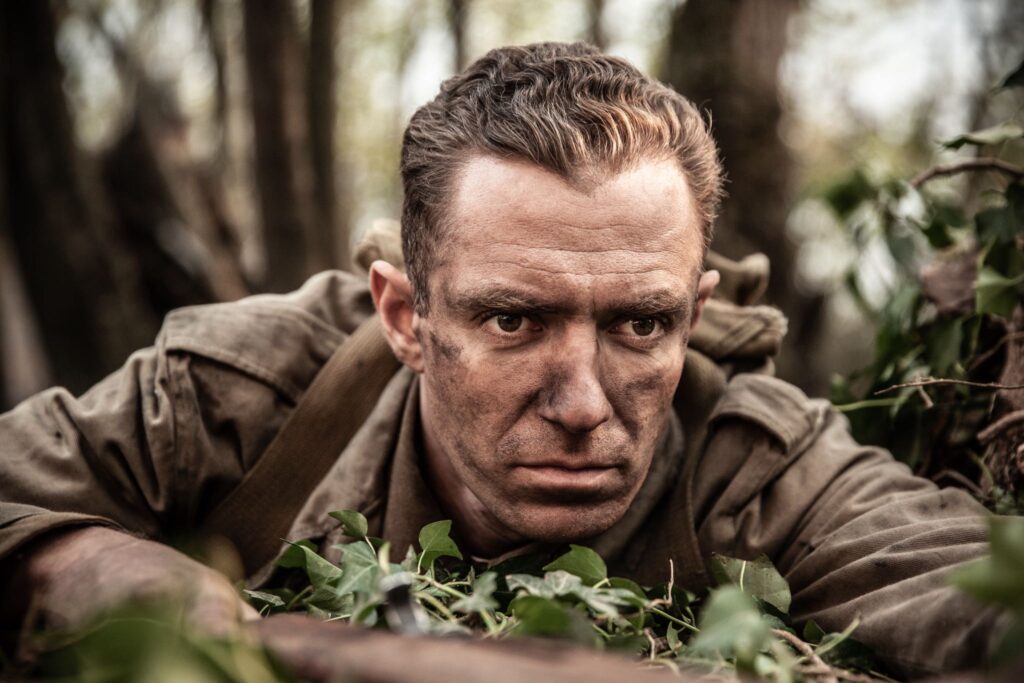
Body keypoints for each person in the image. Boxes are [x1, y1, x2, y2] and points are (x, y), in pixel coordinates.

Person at [0, 42, 1006, 675]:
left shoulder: (765, 467)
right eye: (515, 321)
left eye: (639, 324)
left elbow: (977, 600)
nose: (582, 403)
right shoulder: (251, 391)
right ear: (404, 312)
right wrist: (118, 576)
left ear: (694, 314)